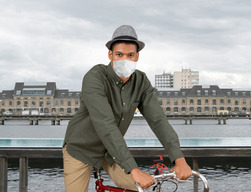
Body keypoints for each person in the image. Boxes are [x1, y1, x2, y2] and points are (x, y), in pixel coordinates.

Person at [63, 25, 192, 192]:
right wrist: (134, 170)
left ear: (137, 56)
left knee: (139, 188)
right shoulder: (94, 77)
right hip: (82, 148)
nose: (125, 59)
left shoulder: (141, 81)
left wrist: (179, 158)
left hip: (112, 151)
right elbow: (105, 124)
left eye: (130, 55)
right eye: (119, 54)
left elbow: (158, 120)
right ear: (110, 54)